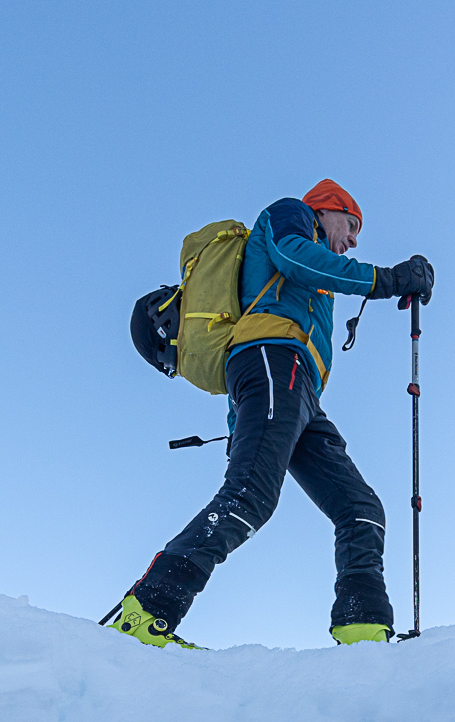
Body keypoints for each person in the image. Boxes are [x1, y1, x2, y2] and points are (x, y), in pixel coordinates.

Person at [107, 179, 434, 649]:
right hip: (276, 363)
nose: (354, 238)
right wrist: (387, 279)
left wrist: (240, 423)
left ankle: (362, 632)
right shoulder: (290, 215)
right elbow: (295, 259)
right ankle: (147, 613)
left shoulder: (313, 262)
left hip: (296, 388)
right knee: (249, 498)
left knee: (361, 508)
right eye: (351, 223)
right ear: (325, 210)